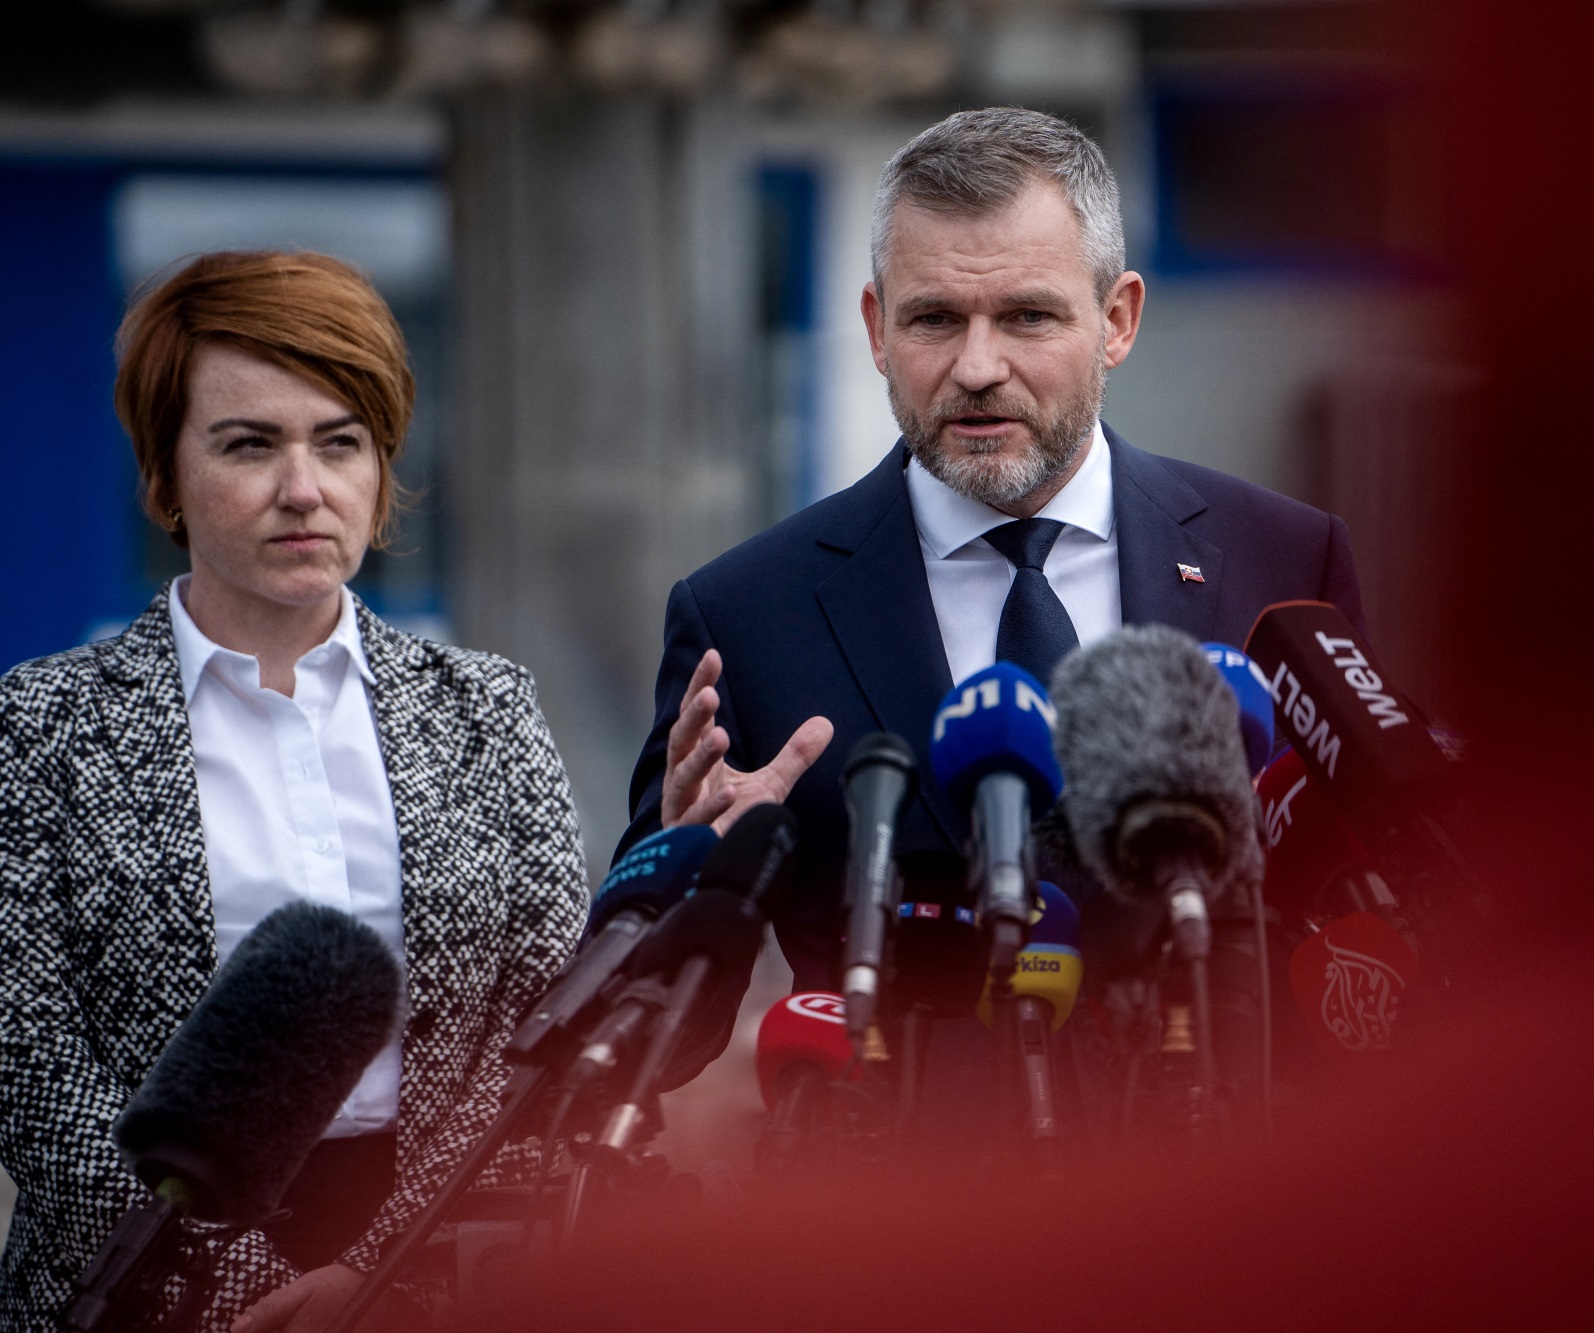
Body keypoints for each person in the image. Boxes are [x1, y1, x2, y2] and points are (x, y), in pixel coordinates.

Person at [618, 108, 1365, 995]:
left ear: (1117, 320)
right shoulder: (745, 618)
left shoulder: (1283, 562)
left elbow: (1356, 939)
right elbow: (657, 1032)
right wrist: (682, 878)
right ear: (875, 328)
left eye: (1025, 316)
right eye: (935, 319)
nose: (977, 366)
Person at [0, 252, 588, 1332]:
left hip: (438, 1276)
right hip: (136, 1288)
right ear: (163, 476)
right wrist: (237, 1288)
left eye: (339, 442)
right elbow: (32, 1063)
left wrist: (381, 1274)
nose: (304, 488)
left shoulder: (489, 711)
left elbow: (539, 1029)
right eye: (248, 444)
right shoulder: (38, 729)